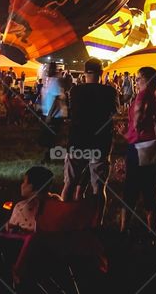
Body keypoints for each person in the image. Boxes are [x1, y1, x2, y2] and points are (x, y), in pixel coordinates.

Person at [61, 59, 118, 226]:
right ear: (101, 73)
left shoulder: (75, 91)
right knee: (99, 188)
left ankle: (63, 218)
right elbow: (114, 112)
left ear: (85, 73)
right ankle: (96, 222)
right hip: (100, 143)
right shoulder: (110, 92)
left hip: (78, 141)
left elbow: (69, 114)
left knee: (69, 183)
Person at [119, 67, 156, 234]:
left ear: (145, 79)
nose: (136, 81)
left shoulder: (143, 94)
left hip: (142, 145)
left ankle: (124, 229)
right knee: (150, 186)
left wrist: (127, 132)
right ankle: (153, 231)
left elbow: (139, 116)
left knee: (131, 186)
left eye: (138, 78)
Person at [5, 166, 61, 233]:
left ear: (30, 186)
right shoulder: (57, 200)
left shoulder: (21, 206)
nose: (22, 185)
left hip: (32, 242)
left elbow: (11, 231)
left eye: (24, 182)